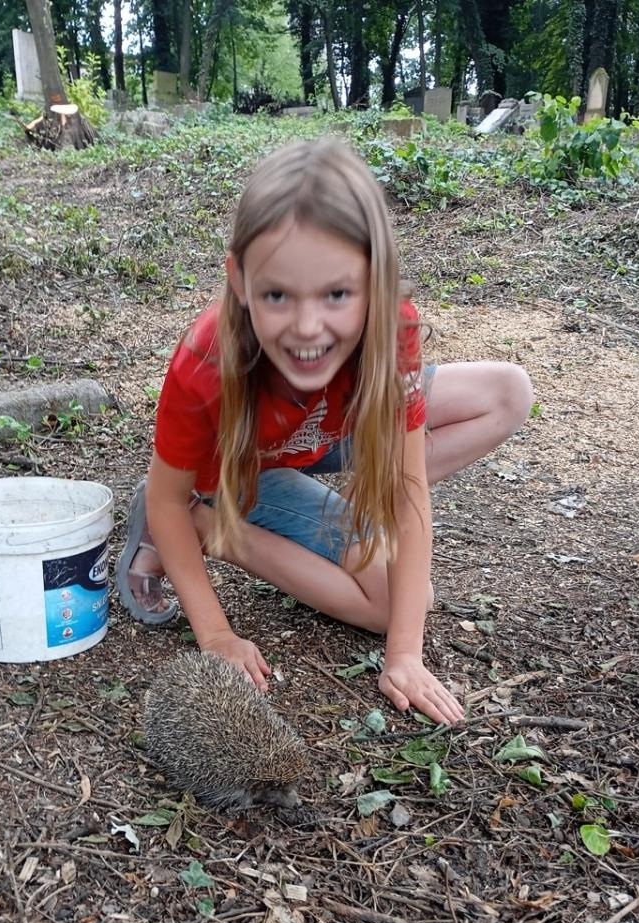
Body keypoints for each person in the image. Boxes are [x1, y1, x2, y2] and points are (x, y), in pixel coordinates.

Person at [116, 138, 531, 726]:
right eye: (278, 295)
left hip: (324, 437)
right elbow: (164, 494)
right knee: (397, 603)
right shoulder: (208, 361)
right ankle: (207, 525)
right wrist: (216, 635)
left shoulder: (391, 330)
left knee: (508, 391)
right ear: (239, 279)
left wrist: (405, 655)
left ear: (375, 281)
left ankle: (339, 498)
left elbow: (411, 495)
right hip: (244, 471)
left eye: (337, 294)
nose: (307, 328)